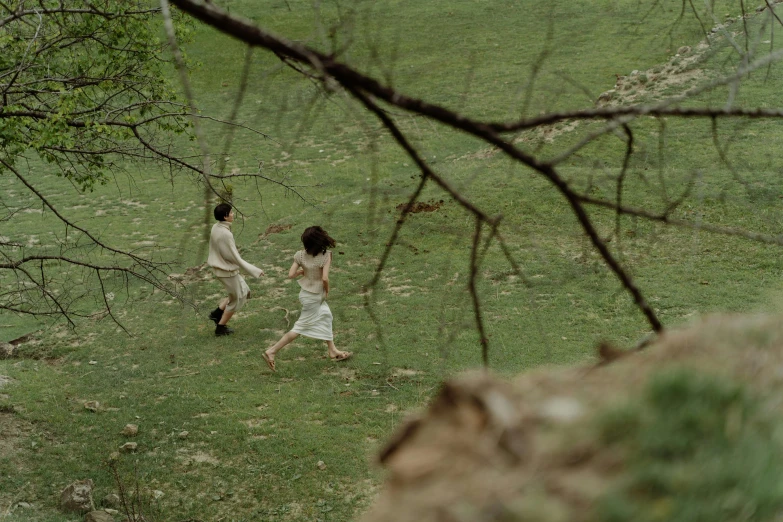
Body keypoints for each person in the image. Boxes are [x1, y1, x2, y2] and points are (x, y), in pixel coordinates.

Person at [262, 226, 351, 372]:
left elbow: (290, 275)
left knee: (327, 315)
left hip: (305, 294)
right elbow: (325, 278)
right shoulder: (326, 255)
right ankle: (271, 351)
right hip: (316, 296)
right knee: (299, 327)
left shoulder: (300, 255)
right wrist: (327, 291)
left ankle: (333, 350)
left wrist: (301, 271)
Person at [207, 202, 264, 336]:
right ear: (225, 217)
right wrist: (255, 270)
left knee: (243, 291)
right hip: (226, 271)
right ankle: (220, 328)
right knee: (236, 299)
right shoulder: (225, 234)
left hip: (223, 270)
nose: (233, 214)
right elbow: (235, 258)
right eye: (231, 212)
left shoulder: (216, 227)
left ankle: (216, 314)